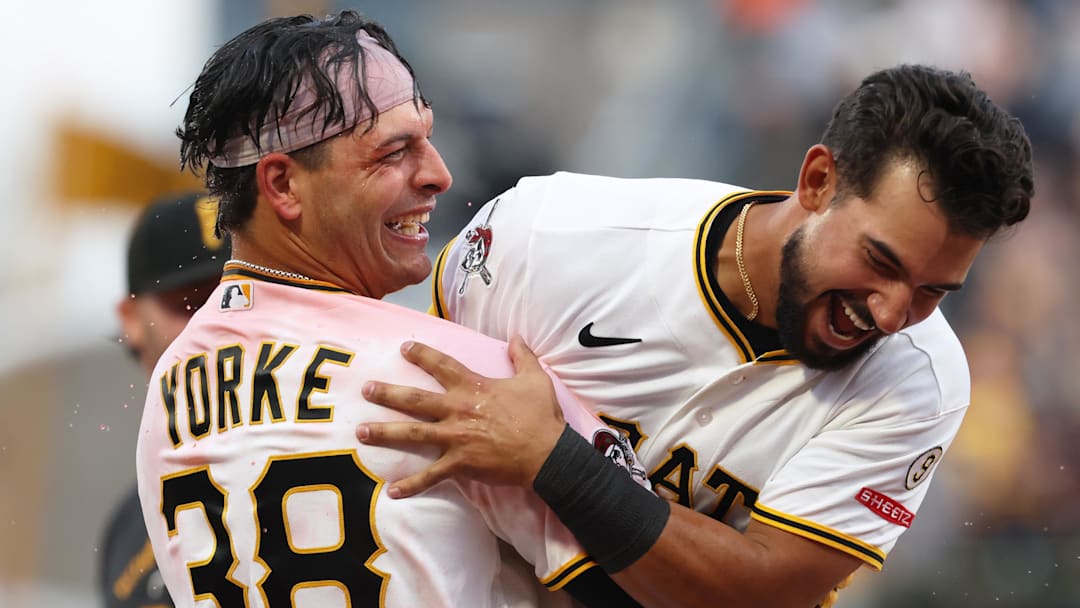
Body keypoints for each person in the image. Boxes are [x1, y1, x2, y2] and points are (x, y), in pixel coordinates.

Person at [355, 64, 1035, 607]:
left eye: (931, 292)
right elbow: (391, 427)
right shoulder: (549, 234)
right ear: (819, 181)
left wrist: (553, 459)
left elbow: (762, 594)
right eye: (880, 262)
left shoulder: (919, 378)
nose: (890, 314)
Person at [135, 11, 647, 608]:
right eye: (393, 151)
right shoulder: (452, 372)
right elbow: (664, 586)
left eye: (426, 139)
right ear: (281, 185)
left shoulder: (166, 389)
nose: (439, 175)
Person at [101, 191, 230, 608]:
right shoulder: (129, 522)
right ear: (130, 319)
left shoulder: (357, 446)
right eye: (190, 303)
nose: (216, 324)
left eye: (236, 298)